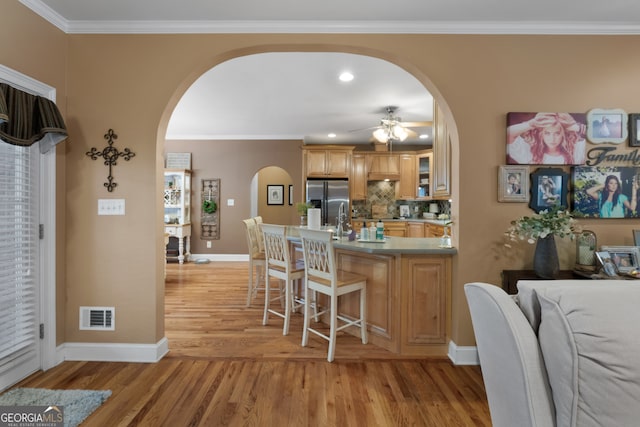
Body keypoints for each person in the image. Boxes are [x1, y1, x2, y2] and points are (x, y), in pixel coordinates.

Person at [507, 112, 586, 165]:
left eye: (557, 133)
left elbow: (596, 137)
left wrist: (576, 127)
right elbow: (507, 135)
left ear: (563, 134)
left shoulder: (577, 151)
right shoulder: (528, 152)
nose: (552, 138)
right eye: (547, 133)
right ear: (540, 134)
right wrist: (531, 124)